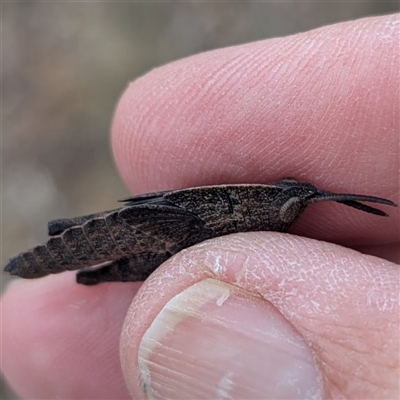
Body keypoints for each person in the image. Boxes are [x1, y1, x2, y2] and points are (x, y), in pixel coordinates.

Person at [1, 14, 398, 400]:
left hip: (172, 242)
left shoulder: (256, 211)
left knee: (99, 272)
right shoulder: (230, 205)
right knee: (83, 241)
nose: (293, 207)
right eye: (289, 199)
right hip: (160, 227)